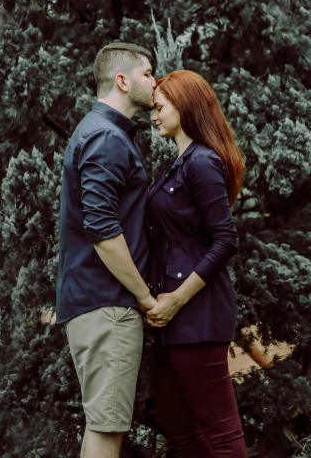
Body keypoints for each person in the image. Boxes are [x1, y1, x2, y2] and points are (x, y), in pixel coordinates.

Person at [56, 42, 158, 458]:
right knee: (108, 428)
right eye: (148, 73)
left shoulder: (98, 132)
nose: (155, 82)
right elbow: (102, 230)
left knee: (102, 424)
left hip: (95, 302)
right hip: (109, 305)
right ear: (122, 80)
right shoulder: (106, 137)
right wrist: (145, 296)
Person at [145, 70, 248, 458]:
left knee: (221, 430)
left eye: (159, 107)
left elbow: (226, 241)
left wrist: (175, 299)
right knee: (178, 425)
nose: (154, 115)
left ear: (184, 106)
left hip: (197, 313)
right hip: (172, 317)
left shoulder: (202, 163)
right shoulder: (179, 162)